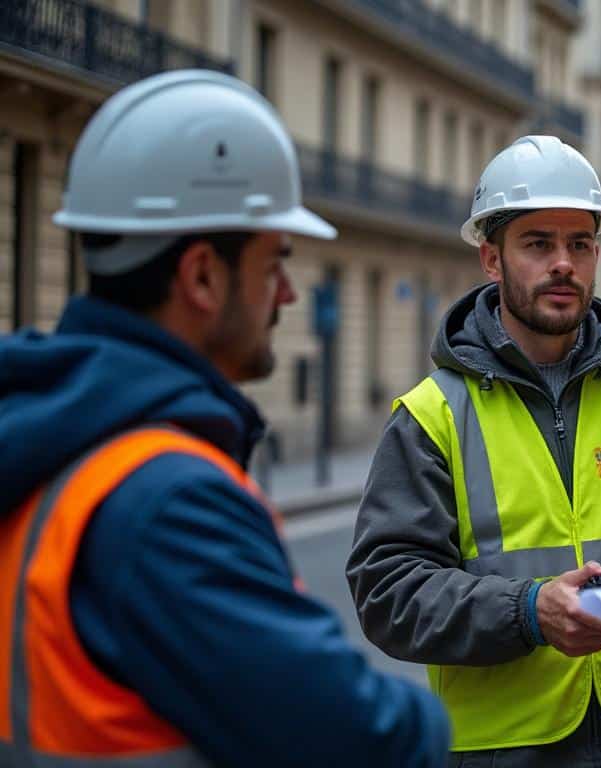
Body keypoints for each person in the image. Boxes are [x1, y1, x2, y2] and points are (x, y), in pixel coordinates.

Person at [0, 70, 449, 766]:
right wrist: (435, 728)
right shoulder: (167, 501)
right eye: (275, 264)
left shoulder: (48, 432)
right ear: (203, 276)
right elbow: (362, 739)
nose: (288, 294)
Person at [346, 135, 601, 767]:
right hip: (501, 754)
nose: (564, 263)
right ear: (491, 258)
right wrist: (528, 611)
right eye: (538, 243)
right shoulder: (432, 416)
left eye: (580, 244)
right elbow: (388, 591)